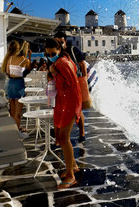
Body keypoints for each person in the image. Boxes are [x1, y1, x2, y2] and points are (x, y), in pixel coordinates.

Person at [44, 38, 82, 189]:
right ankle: (73, 167)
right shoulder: (61, 61)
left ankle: (70, 176)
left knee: (63, 137)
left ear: (59, 50)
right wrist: (53, 73)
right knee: (61, 136)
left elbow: (71, 84)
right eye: (48, 54)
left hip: (70, 102)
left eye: (53, 53)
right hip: (65, 101)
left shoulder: (62, 63)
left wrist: (54, 73)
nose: (50, 56)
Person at [53, 31, 90, 142]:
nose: (59, 44)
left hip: (75, 83)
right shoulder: (55, 52)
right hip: (60, 84)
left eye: (61, 42)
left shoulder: (73, 50)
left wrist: (84, 80)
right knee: (59, 109)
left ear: (65, 41)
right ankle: (58, 138)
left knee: (77, 110)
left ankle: (82, 132)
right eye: (57, 42)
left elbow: (82, 64)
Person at [1, 40, 30, 132]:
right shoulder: (25, 60)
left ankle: (14, 128)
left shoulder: (9, 58)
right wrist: (28, 56)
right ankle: (17, 131)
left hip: (9, 83)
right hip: (18, 83)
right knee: (18, 112)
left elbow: (8, 72)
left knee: (12, 110)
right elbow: (28, 69)